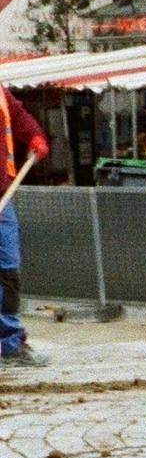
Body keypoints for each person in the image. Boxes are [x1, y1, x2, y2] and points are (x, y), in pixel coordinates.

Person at [0, 89, 52, 369]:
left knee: (7, 272)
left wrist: (34, 136)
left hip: (1, 198)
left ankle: (10, 342)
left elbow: (18, 116)